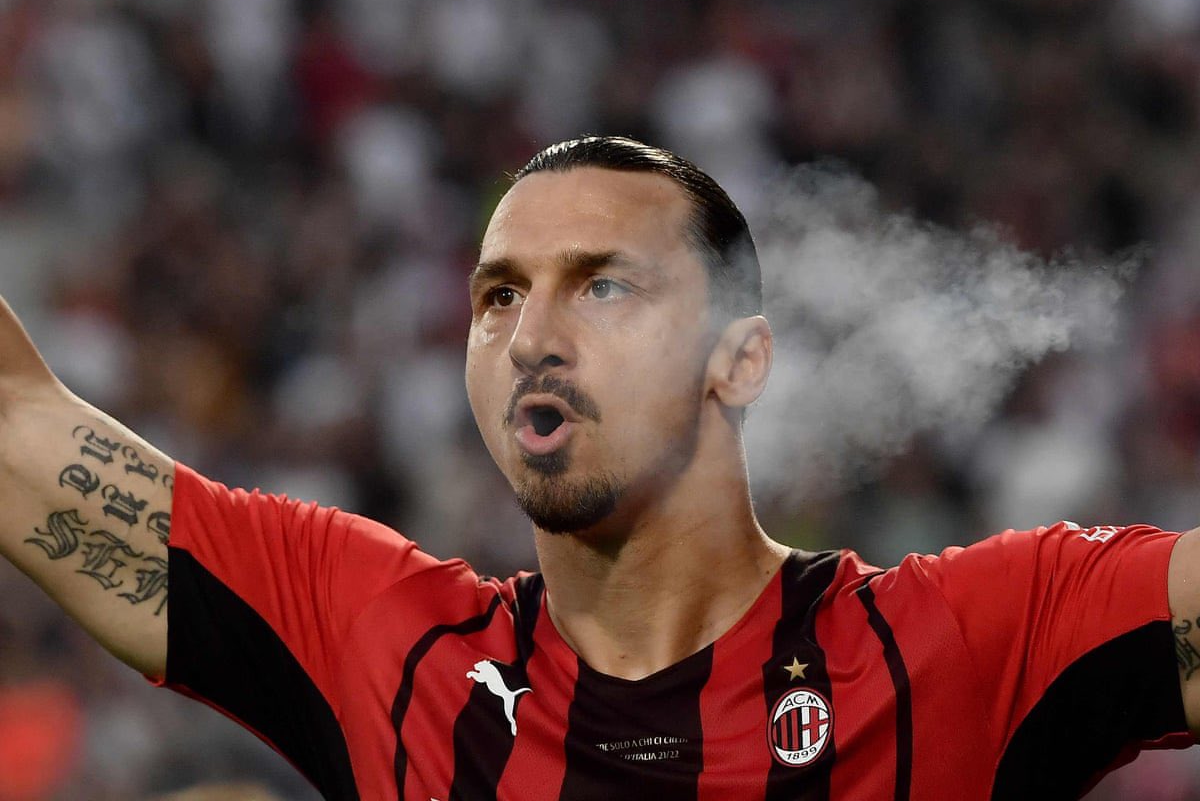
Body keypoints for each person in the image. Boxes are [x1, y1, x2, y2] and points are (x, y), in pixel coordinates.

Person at [0, 134, 1198, 800]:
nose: (531, 335)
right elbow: (14, 426)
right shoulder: (389, 649)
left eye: (603, 286)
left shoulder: (964, 644)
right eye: (499, 297)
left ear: (739, 360)